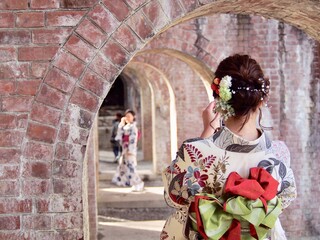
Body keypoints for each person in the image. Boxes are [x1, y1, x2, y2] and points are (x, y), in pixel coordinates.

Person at [161, 54, 297, 240]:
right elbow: (285, 200)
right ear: (262, 100)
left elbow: (174, 198)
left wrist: (208, 131)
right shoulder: (279, 155)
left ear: (219, 99)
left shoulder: (195, 152)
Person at [111, 109, 144, 191]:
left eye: (129, 116)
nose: (128, 118)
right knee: (123, 166)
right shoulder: (125, 126)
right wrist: (121, 123)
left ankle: (138, 183)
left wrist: (130, 150)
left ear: (133, 117)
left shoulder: (133, 127)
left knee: (131, 167)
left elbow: (133, 139)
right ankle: (125, 182)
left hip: (130, 150)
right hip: (124, 149)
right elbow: (119, 135)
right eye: (126, 116)